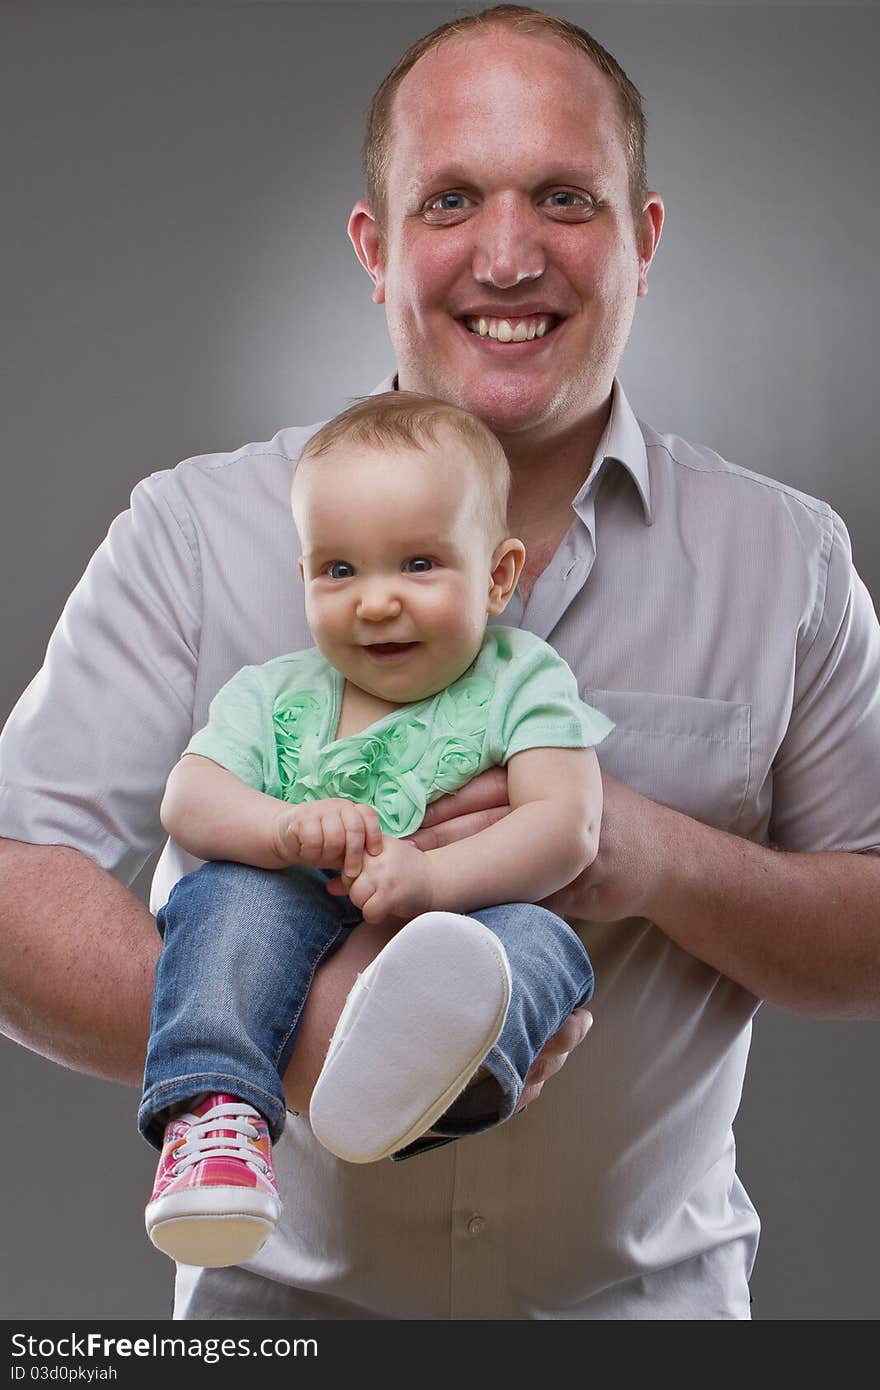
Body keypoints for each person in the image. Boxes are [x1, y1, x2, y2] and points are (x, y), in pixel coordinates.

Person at [1, 3, 878, 1320]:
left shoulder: (787, 560)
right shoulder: (198, 532)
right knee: (239, 908)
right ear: (378, 245)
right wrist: (308, 1044)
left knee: (526, 952)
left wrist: (649, 855)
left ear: (643, 235)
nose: (509, 255)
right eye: (453, 198)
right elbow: (10, 871)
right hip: (271, 1334)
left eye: (565, 198)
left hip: (654, 1317)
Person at [141, 390, 611, 1268]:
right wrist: (285, 829)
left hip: (459, 919)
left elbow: (568, 825)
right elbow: (189, 799)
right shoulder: (275, 693)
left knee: (544, 945)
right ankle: (217, 1116)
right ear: (305, 576)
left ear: (500, 576)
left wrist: (436, 882)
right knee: (228, 901)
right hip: (300, 907)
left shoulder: (521, 678)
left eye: (420, 565)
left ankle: (435, 1081)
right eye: (340, 571)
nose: (376, 604)